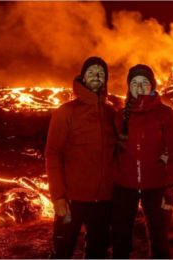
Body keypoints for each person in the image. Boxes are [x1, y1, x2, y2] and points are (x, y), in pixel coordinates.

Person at [45, 56, 116, 259]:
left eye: (101, 73)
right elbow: (53, 153)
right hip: (71, 200)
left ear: (105, 80)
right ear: (83, 77)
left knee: (98, 252)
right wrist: (58, 196)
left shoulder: (111, 113)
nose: (96, 75)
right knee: (62, 251)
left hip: (103, 200)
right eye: (91, 71)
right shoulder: (65, 112)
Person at [112, 64, 173, 259]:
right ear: (129, 87)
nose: (140, 86)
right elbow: (112, 150)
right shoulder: (119, 116)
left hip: (156, 186)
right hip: (123, 187)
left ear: (152, 85)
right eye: (135, 82)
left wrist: (170, 190)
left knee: (159, 240)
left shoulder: (165, 114)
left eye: (144, 82)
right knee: (120, 240)